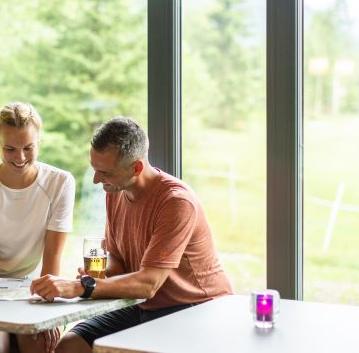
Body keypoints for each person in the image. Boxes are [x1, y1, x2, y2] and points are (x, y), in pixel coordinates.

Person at [31, 117, 232, 353]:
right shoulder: (115, 191)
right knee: (70, 346)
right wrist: (100, 275)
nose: (96, 180)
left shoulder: (176, 202)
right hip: (145, 305)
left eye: (105, 172)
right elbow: (118, 258)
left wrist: (82, 286)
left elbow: (148, 284)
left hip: (195, 307)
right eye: (94, 169)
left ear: (136, 168)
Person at [0, 102, 75, 353]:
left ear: (39, 143)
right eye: (10, 149)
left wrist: (48, 308)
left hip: (34, 285)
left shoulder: (60, 183)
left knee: (36, 341)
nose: (20, 157)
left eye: (28, 148)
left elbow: (53, 255)